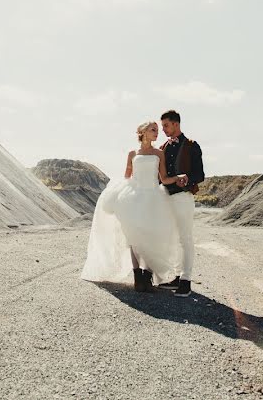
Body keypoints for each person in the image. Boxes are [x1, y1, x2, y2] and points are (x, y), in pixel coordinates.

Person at [80, 121, 188, 292]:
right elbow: (127, 177)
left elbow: (164, 178)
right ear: (143, 132)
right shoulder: (132, 153)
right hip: (135, 196)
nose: (156, 133)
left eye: (157, 130)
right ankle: (138, 277)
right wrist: (120, 195)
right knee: (134, 237)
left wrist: (177, 177)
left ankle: (148, 276)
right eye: (153, 130)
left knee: (154, 235)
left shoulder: (159, 153)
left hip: (154, 197)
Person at [157, 109, 204, 297]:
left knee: (185, 238)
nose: (163, 130)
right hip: (165, 198)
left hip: (183, 197)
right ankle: (177, 276)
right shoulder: (162, 147)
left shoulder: (192, 146)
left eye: (166, 126)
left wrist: (188, 179)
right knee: (173, 239)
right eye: (162, 127)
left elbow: (200, 175)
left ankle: (186, 280)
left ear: (176, 124)